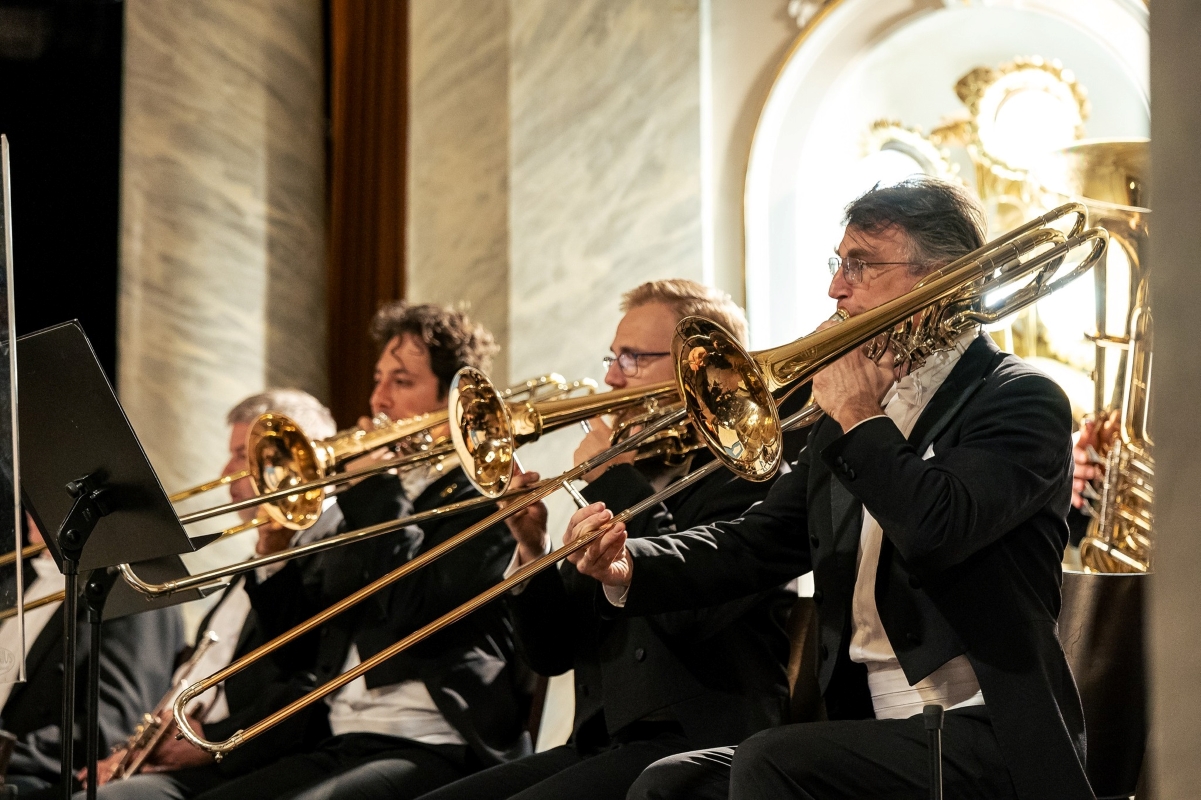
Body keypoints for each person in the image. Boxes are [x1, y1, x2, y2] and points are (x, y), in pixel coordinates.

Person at [568, 178, 1092, 800]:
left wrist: (860, 418)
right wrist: (630, 564)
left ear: (939, 281)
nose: (834, 288)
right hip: (866, 724)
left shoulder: (1021, 400)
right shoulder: (857, 415)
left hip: (987, 732)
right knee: (671, 785)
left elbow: (936, 528)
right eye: (837, 263)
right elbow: (758, 542)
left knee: (771, 762)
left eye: (859, 266)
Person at [416, 280, 793, 800]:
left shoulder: (748, 474)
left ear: (701, 367)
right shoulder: (635, 475)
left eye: (634, 358)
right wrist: (531, 549)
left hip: (698, 742)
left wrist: (614, 477)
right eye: (613, 357)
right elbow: (552, 653)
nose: (612, 378)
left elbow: (691, 612)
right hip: (599, 743)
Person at [189, 302, 531, 800]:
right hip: (340, 737)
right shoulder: (367, 503)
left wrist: (373, 488)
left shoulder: (482, 496)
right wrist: (277, 552)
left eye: (402, 382)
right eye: (378, 379)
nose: (378, 399)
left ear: (451, 401)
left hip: (437, 740)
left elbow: (413, 608)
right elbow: (295, 651)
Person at [28, 389, 341, 800]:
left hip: (242, 759)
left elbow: (307, 676)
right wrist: (131, 751)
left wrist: (211, 739)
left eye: (243, 455)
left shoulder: (328, 544)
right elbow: (203, 672)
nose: (227, 470)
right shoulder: (259, 557)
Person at [0, 515, 184, 794]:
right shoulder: (21, 574)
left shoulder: (134, 583)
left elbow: (111, 728)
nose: (28, 509)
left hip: (41, 781)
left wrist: (9, 753)